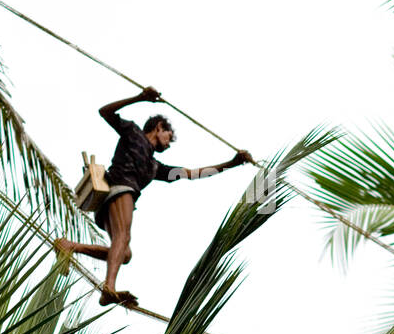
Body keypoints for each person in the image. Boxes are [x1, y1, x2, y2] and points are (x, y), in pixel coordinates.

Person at [56, 86, 253, 307]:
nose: (169, 144)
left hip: (115, 201)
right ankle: (108, 288)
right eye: (169, 136)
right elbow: (105, 112)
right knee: (123, 237)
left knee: (125, 254)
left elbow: (192, 174)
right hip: (119, 189)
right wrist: (140, 98)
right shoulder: (133, 132)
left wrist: (231, 164)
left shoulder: (154, 166)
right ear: (159, 127)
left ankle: (69, 246)